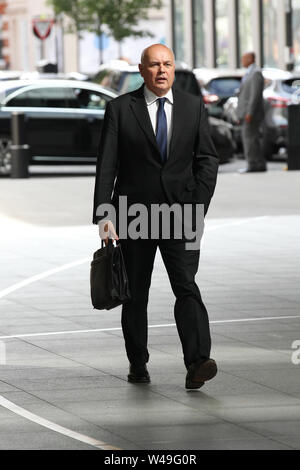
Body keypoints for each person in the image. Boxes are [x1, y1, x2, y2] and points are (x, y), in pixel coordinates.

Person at [92, 44, 219, 389]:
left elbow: (207, 159)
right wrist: (105, 215)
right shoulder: (120, 109)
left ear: (174, 68)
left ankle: (198, 362)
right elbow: (107, 165)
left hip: (183, 214)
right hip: (133, 215)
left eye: (167, 64)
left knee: (187, 286)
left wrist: (199, 204)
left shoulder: (193, 107)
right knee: (136, 293)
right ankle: (138, 362)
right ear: (142, 69)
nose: (162, 70)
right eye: (154, 65)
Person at [237, 52, 266, 173]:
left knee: (249, 139)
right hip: (246, 113)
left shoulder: (255, 73)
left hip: (251, 114)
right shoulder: (250, 72)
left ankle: (253, 164)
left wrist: (250, 112)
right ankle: (258, 164)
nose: (241, 61)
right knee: (252, 139)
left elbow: (255, 96)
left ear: (251, 59)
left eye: (243, 58)